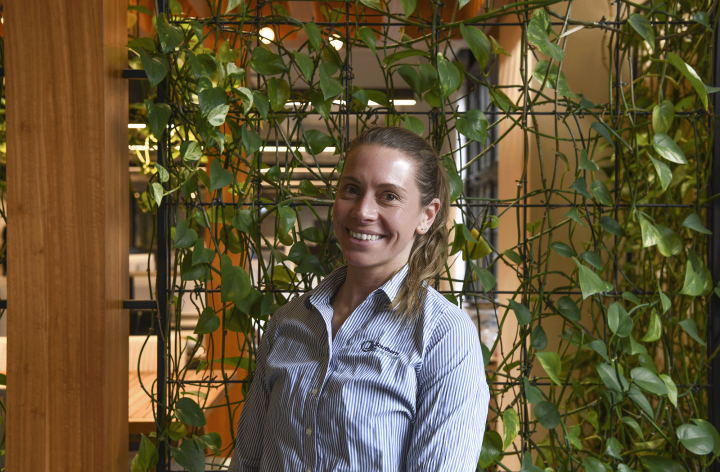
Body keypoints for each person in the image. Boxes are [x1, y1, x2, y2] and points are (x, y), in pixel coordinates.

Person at [229, 127, 490, 472]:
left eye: (389, 196)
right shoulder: (287, 322)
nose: (363, 211)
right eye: (351, 190)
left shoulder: (445, 335)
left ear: (426, 216)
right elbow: (247, 461)